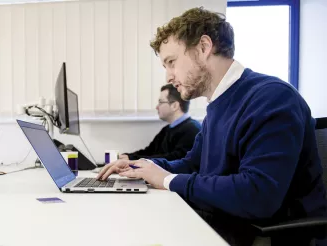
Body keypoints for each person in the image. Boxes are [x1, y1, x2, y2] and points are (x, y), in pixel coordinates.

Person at [98, 7, 327, 245]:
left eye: (171, 62)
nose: (168, 76)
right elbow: (191, 164)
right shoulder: (218, 106)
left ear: (204, 47)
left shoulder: (271, 98)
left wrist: (167, 179)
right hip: (227, 226)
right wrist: (144, 166)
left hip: (271, 237)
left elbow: (258, 195)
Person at [119, 84, 201, 161]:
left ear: (174, 106)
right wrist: (127, 157)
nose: (157, 107)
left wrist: (133, 159)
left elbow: (174, 158)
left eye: (161, 102)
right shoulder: (166, 130)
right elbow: (150, 151)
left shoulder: (192, 130)